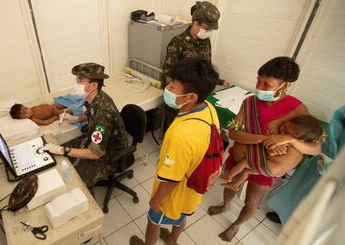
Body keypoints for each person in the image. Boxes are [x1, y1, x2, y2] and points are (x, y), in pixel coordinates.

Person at [207, 56, 321, 242]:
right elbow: (234, 133)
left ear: (285, 86)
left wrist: (289, 139)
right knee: (229, 187)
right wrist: (264, 139)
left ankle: (236, 225)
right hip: (240, 158)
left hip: (266, 167)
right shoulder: (249, 103)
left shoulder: (298, 110)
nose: (259, 87)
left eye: (267, 84)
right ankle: (225, 205)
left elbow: (315, 148)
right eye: (258, 80)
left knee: (251, 201)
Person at [130, 57, 221, 245]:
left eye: (172, 86)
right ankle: (172, 240)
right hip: (192, 193)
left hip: (173, 196)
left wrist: (156, 201)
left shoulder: (182, 135)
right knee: (181, 217)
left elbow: (172, 179)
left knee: (153, 221)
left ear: (191, 97)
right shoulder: (208, 108)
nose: (167, 88)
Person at [42, 62, 128, 190]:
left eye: (80, 80)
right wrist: (76, 118)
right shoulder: (93, 97)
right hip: (97, 140)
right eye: (77, 79)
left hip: (110, 152)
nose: (76, 84)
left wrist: (63, 150)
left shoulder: (104, 112)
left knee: (76, 182)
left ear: (93, 85)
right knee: (64, 150)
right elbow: (89, 113)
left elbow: (95, 153)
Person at [266, 104, 345, 224]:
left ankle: (296, 225)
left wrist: (333, 169)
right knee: (296, 191)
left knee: (317, 204)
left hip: (338, 177)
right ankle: (283, 214)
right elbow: (334, 126)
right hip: (322, 159)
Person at [161, 1, 230, 132]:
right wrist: (174, 98)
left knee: (189, 132)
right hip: (181, 98)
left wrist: (219, 81)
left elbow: (205, 69)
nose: (208, 31)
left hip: (197, 99)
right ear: (196, 23)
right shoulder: (177, 43)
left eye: (210, 29)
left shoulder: (205, 42)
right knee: (174, 130)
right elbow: (167, 74)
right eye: (207, 28)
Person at [222, 115, 323, 192]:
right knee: (246, 172)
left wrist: (268, 147)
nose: (281, 130)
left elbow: (272, 152)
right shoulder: (297, 144)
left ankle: (229, 176)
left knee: (245, 163)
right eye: (284, 125)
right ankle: (235, 184)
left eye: (285, 132)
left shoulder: (287, 143)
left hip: (271, 167)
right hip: (274, 170)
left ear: (300, 140)